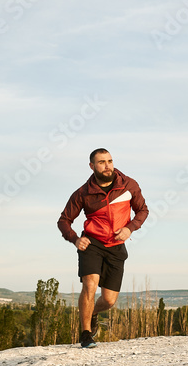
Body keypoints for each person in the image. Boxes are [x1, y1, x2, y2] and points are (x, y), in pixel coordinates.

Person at [58, 148, 149, 348]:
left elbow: (142, 210)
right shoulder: (83, 192)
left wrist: (130, 228)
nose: (107, 165)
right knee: (89, 285)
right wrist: (74, 239)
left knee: (108, 300)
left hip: (116, 246)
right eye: (101, 162)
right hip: (92, 243)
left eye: (109, 161)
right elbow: (64, 221)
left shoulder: (128, 185)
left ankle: (94, 312)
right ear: (92, 166)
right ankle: (86, 334)